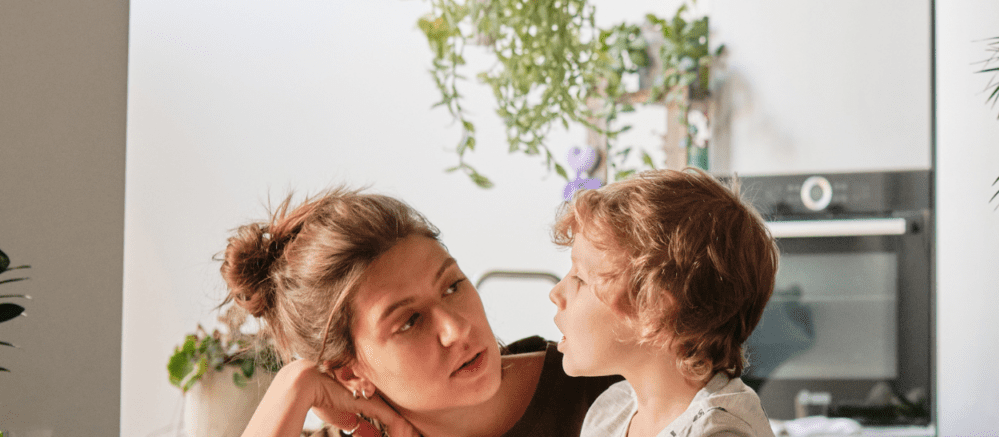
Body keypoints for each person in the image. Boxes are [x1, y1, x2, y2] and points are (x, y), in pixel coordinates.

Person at [221, 188, 618, 437]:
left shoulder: (606, 385)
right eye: (409, 322)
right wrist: (296, 383)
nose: (456, 328)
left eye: (452, 286)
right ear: (349, 372)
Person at [548, 168, 779, 437]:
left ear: (655, 309)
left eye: (580, 278)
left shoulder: (718, 431)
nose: (556, 293)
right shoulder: (611, 410)